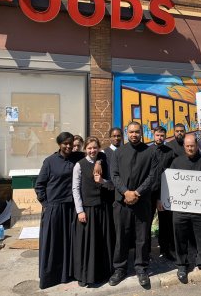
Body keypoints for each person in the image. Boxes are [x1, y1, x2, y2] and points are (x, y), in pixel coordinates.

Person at [166, 134, 201, 283]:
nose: (190, 148)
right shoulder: (176, 162)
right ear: (184, 146)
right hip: (180, 209)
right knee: (180, 238)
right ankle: (182, 265)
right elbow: (168, 183)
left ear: (197, 145)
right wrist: (163, 199)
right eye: (187, 146)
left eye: (192, 145)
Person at [109, 122, 157, 287]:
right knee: (121, 237)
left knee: (142, 237)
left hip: (142, 202)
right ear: (126, 133)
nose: (134, 134)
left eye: (137, 132)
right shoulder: (119, 152)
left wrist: (136, 193)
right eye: (131, 132)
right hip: (122, 203)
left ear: (141, 133)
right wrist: (126, 192)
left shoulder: (150, 152)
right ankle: (120, 269)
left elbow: (152, 175)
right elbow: (114, 175)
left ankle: (141, 268)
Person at [35, 132, 85, 289]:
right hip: (55, 208)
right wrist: (46, 204)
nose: (69, 146)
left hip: (72, 208)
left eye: (71, 143)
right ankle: (52, 276)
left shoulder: (78, 158)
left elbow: (96, 154)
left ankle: (70, 273)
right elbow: (39, 185)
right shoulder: (50, 161)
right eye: (65, 144)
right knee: (53, 242)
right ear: (59, 144)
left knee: (71, 242)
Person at [71, 136, 114, 286]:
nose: (92, 150)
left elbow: (112, 185)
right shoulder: (79, 165)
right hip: (88, 210)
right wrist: (80, 211)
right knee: (88, 245)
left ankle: (102, 273)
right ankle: (86, 276)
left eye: (95, 147)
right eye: (89, 148)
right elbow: (75, 189)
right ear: (85, 149)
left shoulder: (104, 162)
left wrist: (102, 181)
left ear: (99, 148)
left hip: (103, 208)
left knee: (102, 242)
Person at [149, 126, 175, 260]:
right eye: (157, 135)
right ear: (153, 135)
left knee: (165, 223)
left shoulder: (170, 152)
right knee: (146, 222)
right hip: (149, 192)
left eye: (162, 135)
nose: (159, 137)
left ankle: (166, 250)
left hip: (165, 192)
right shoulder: (147, 150)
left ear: (165, 136)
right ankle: (146, 252)